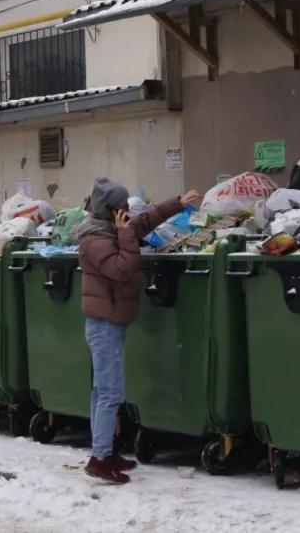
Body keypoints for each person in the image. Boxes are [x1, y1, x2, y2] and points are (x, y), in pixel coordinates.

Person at [73, 177, 201, 484]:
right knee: (110, 392)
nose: (126, 211)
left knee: (102, 391)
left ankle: (103, 450)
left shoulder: (111, 229)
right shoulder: (95, 240)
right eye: (121, 206)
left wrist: (177, 202)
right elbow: (123, 268)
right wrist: (126, 234)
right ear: (109, 210)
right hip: (104, 324)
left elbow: (145, 220)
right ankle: (100, 459)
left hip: (110, 321)